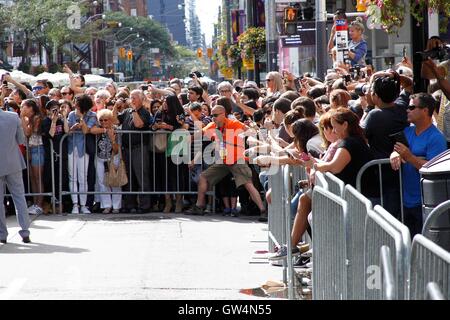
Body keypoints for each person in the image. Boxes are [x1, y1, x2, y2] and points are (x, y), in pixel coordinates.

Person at [188, 105, 267, 218]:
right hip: (223, 160)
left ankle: (263, 211)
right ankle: (199, 206)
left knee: (248, 185)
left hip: (237, 159)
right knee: (203, 177)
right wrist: (188, 139)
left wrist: (246, 133)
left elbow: (251, 131)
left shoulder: (234, 124)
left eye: (215, 115)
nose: (213, 117)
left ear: (223, 114)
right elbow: (200, 133)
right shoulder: (212, 125)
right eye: (212, 115)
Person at [390, 93, 447, 236]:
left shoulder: (436, 138)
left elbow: (434, 169)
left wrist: (409, 157)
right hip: (406, 200)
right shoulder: (407, 131)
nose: (407, 110)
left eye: (412, 107)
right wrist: (395, 154)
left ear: (425, 110)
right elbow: (396, 150)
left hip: (425, 202)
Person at [113, 90, 153, 213]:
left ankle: (144, 205)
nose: (132, 100)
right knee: (128, 177)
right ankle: (130, 204)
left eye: (134, 98)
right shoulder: (126, 112)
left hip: (139, 148)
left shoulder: (144, 112)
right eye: (131, 98)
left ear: (141, 99)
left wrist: (134, 110)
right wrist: (115, 106)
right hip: (127, 149)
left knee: (141, 177)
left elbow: (139, 124)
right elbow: (114, 120)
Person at [0, 109, 31, 244]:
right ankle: (25, 232)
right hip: (13, 162)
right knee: (19, 197)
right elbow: (20, 139)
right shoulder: (13, 117)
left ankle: (2, 234)